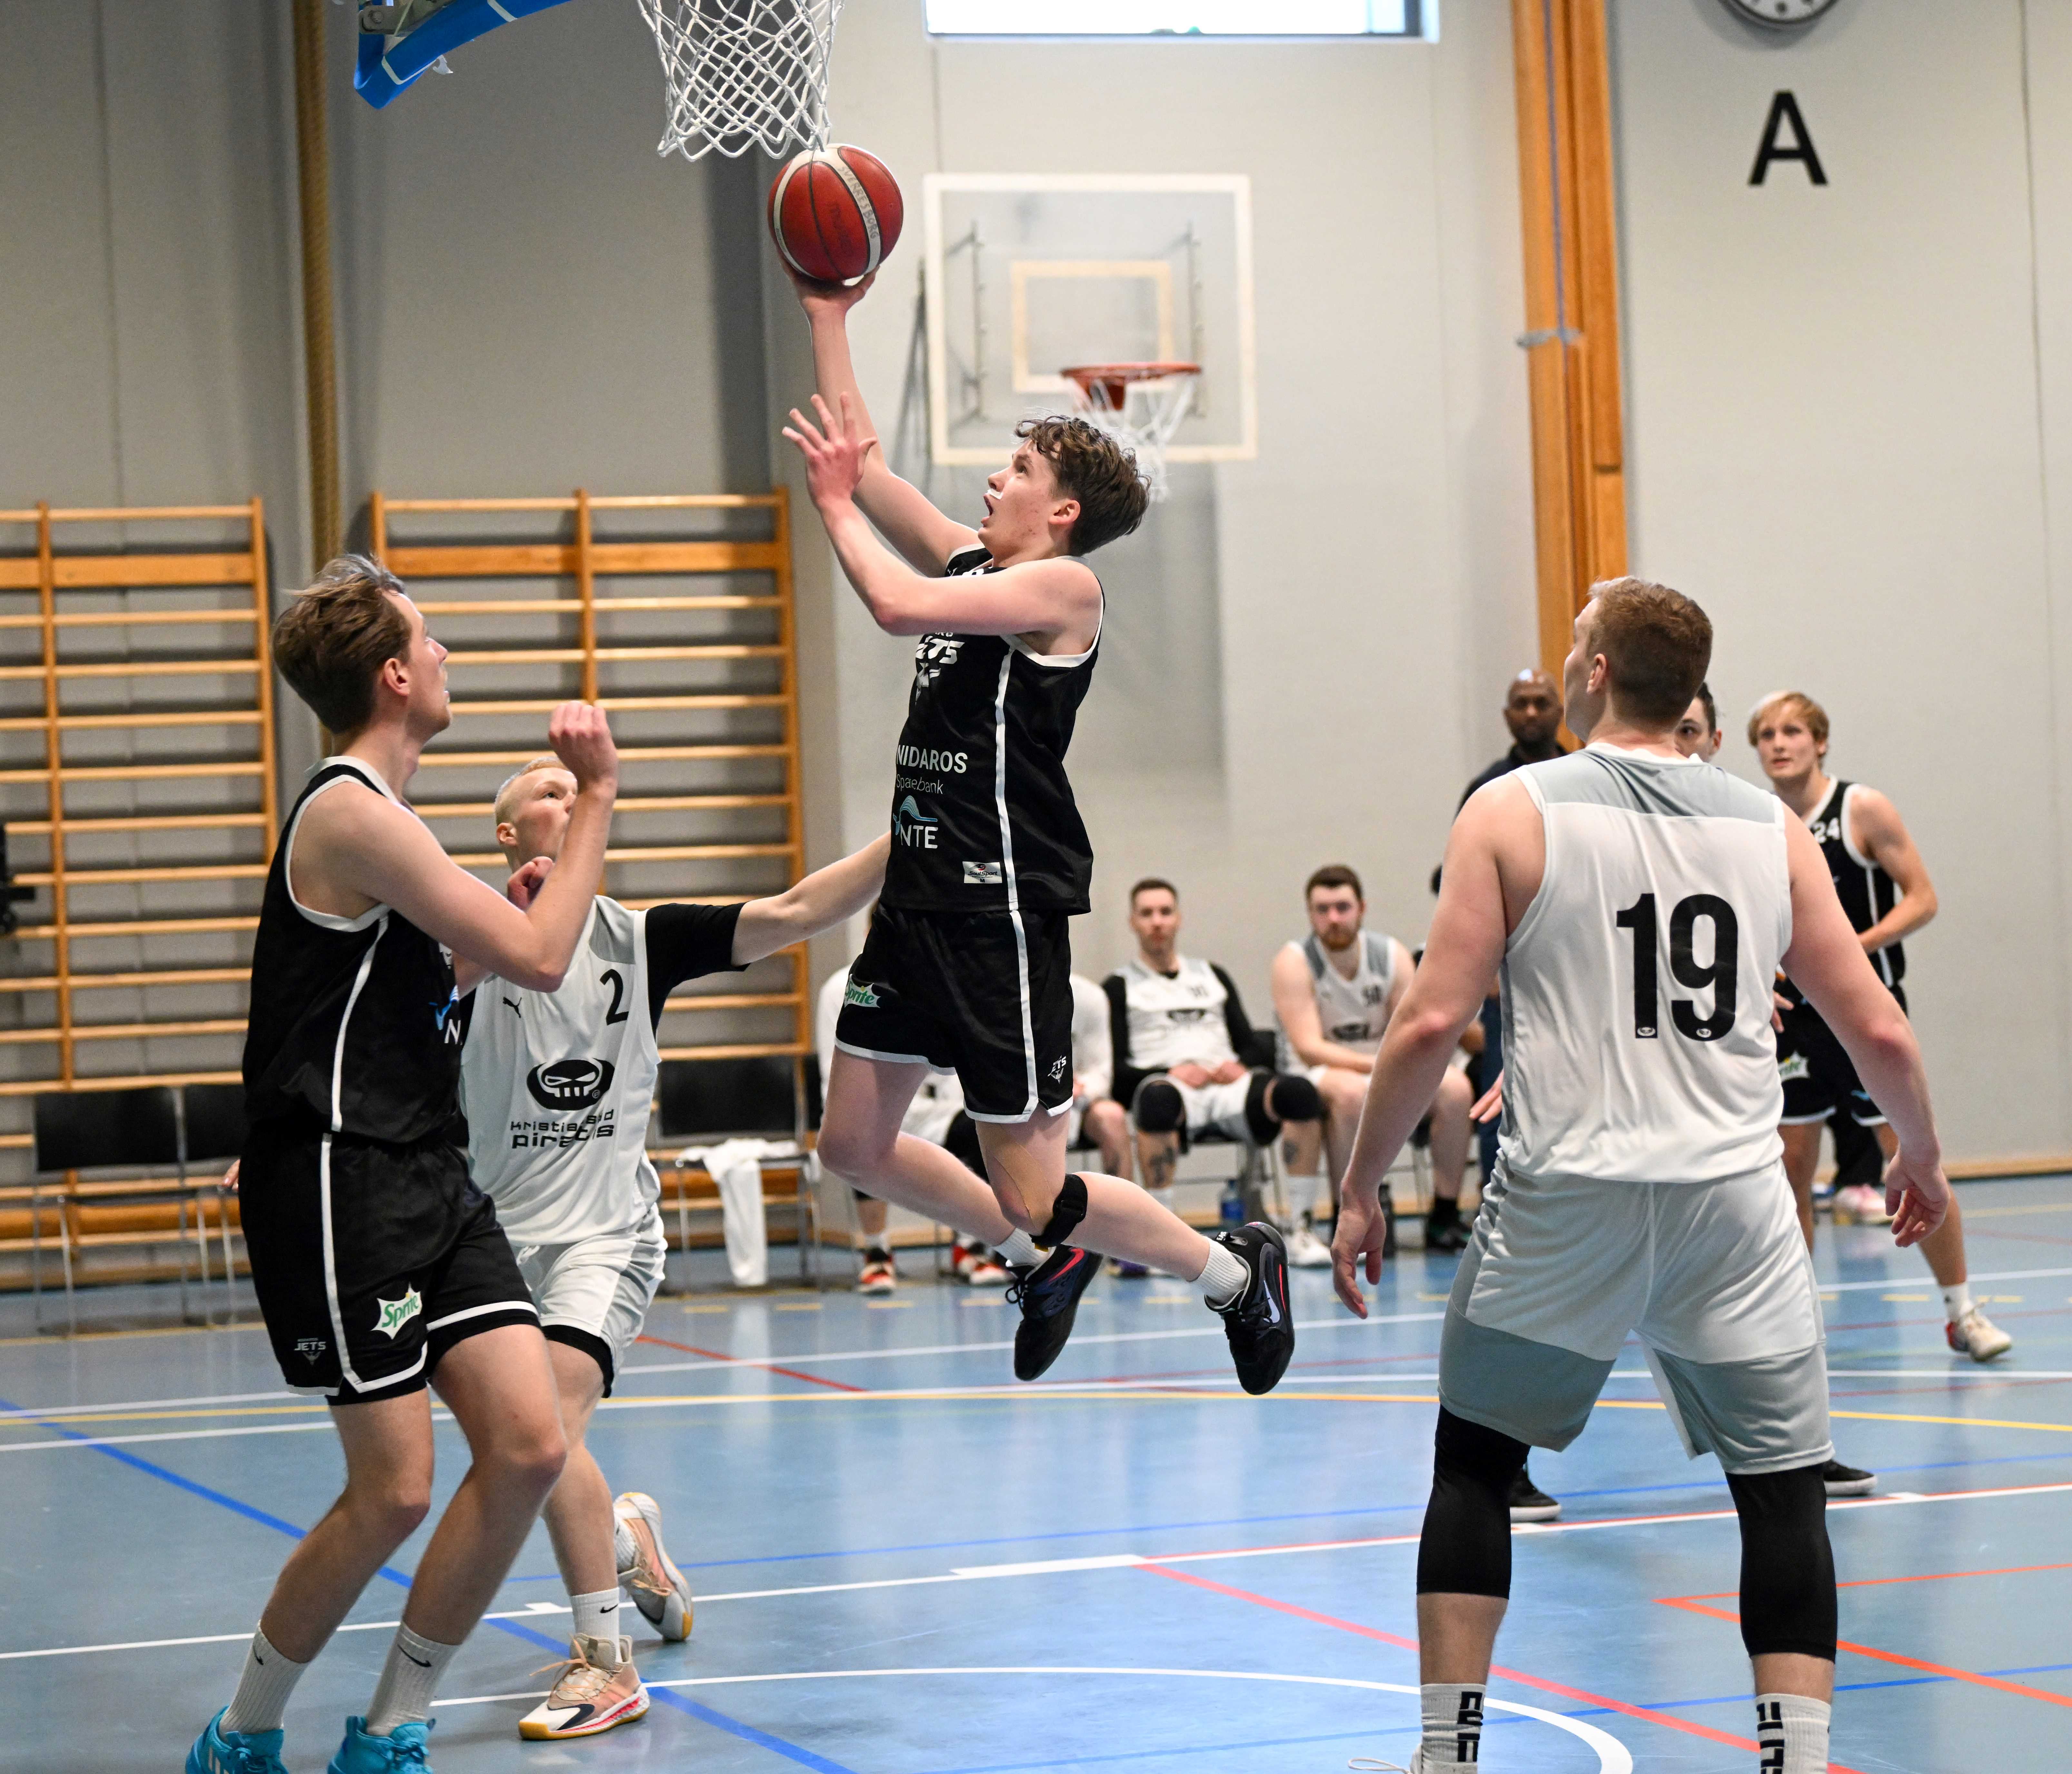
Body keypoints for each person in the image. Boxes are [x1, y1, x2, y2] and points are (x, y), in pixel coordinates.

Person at [1335, 578, 1952, 1774]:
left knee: (1473, 1463)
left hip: (1569, 1194)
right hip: (1733, 1202)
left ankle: (1446, 1754)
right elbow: (1880, 1032)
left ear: (1601, 673)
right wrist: (1918, 1155)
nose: (1563, 661)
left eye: (1574, 644)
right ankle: (1792, 1755)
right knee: (1781, 1494)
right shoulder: (1767, 828)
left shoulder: (1510, 810)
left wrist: (1362, 1185)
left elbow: (1425, 1028)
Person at [781, 270, 1292, 1393]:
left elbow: (892, 602)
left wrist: (826, 509)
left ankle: (1231, 1272)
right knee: (854, 1148)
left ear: (1058, 510)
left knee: (1033, 1182)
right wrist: (828, 316)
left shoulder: (1063, 592)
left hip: (994, 911)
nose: (990, 479)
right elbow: (865, 468)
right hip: (915, 905)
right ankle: (1042, 1259)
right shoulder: (981, 564)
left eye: (1014, 470)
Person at [189, 557, 618, 1774]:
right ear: (393, 674)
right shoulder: (350, 811)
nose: (447, 660)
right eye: (432, 643)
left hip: (427, 1165)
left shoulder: (392, 827)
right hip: (339, 1180)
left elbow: (439, 976)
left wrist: (483, 932)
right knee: (392, 1490)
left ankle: (389, 1725)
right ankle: (244, 1731)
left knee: (530, 1445)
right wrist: (594, 797)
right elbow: (542, 957)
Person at [459, 760, 888, 1739]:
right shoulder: (460, 940)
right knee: (519, 1452)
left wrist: (918, 828)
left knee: (547, 1432)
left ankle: (604, 1664)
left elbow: (798, 906)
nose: (568, 803)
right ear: (506, 834)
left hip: (605, 1237)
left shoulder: (642, 939)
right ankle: (627, 1541)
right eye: (546, 792)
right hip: (486, 1246)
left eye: (581, 792)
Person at [1748, 691, 2011, 1364]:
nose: (1779, 744)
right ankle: (1795, 1324)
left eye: (1793, 732)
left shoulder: (1860, 808)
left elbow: (1922, 896)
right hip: (1796, 1021)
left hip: (1863, 1010)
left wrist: (1856, 948)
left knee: (1913, 1153)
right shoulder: (1755, 820)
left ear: (1821, 742)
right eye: (1767, 735)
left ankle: (1961, 1310)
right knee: (1790, 1165)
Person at [1669, 687, 1878, 1499]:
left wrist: (1755, 976)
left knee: (1775, 1272)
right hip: (1629, 1109)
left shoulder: (1752, 829)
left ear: (1712, 740)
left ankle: (1803, 1448)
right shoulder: (1599, 825)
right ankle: (1494, 1468)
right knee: (1571, 1310)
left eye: (1693, 731)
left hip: (1728, 1096)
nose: (1679, 745)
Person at [1086, 879, 1326, 1276]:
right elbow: (1117, 1073)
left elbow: (1251, 1043)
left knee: (1299, 1093)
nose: (1157, 922)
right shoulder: (1120, 985)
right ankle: (1161, 1238)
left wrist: (1241, 1065)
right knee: (1157, 1099)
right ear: (1133, 922)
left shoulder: (1211, 975)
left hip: (1226, 1083)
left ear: (1178, 918)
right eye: (1147, 914)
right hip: (1168, 1084)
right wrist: (1167, 1072)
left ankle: (1301, 1226)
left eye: (1165, 912)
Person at [1269, 865, 1474, 1264]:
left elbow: (1412, 1030)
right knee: (1349, 1094)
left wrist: (1387, 1068)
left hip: (1383, 1065)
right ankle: (1351, 1210)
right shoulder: (1294, 962)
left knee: (1455, 1089)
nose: (1333, 918)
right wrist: (1377, 1067)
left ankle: (1444, 1215)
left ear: (1361, 908)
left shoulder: (1390, 954)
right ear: (1310, 914)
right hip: (1322, 1072)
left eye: (1342, 907)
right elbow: (1310, 1048)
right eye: (1323, 909)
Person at [1439, 670, 1573, 1184]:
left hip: (1577, 966)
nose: (1533, 713)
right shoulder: (1487, 790)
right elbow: (1462, 888)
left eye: (1542, 702)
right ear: (1506, 715)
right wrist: (1484, 974)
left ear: (1558, 709)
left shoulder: (1586, 777)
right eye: (1522, 703)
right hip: (1508, 977)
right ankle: (1498, 1192)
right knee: (1503, 1091)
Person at [813, 947, 1010, 1291]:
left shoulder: (945, 981)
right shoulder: (839, 987)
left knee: (979, 1129)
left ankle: (972, 1245)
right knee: (857, 1141)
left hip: (935, 1108)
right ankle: (877, 1253)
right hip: (871, 1104)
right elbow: (831, 1067)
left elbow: (960, 1060)